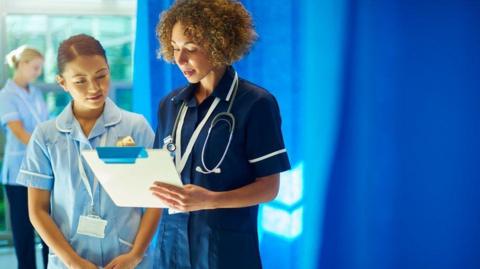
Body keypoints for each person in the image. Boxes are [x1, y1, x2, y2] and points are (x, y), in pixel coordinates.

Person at [150, 1, 291, 268]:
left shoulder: (256, 103)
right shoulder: (169, 105)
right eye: (176, 48)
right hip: (171, 247)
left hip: (226, 250)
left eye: (190, 49)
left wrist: (212, 200)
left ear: (220, 44)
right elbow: (162, 172)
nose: (179, 60)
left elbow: (269, 187)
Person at [17, 34, 161, 269]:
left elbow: (155, 199)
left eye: (101, 76)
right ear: (62, 83)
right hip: (69, 260)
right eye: (80, 81)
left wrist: (135, 254)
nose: (94, 88)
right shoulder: (46, 136)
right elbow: (37, 210)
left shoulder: (135, 127)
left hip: (127, 258)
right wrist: (72, 262)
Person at [0, 45, 49, 269]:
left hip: (41, 168)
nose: (38, 72)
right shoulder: (6, 96)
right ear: (21, 65)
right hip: (18, 171)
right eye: (35, 67)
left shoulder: (36, 93)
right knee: (23, 230)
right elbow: (19, 132)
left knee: (48, 226)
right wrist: (48, 147)